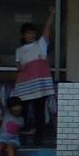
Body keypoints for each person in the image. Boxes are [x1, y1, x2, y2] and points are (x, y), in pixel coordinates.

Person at [12, 12, 56, 145]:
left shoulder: (41, 45)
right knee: (22, 111)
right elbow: (18, 66)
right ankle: (22, 137)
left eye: (32, 33)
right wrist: (20, 67)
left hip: (39, 85)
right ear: (23, 35)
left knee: (39, 112)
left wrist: (52, 14)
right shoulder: (19, 50)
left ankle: (38, 139)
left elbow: (47, 29)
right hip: (24, 86)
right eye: (27, 33)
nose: (30, 35)